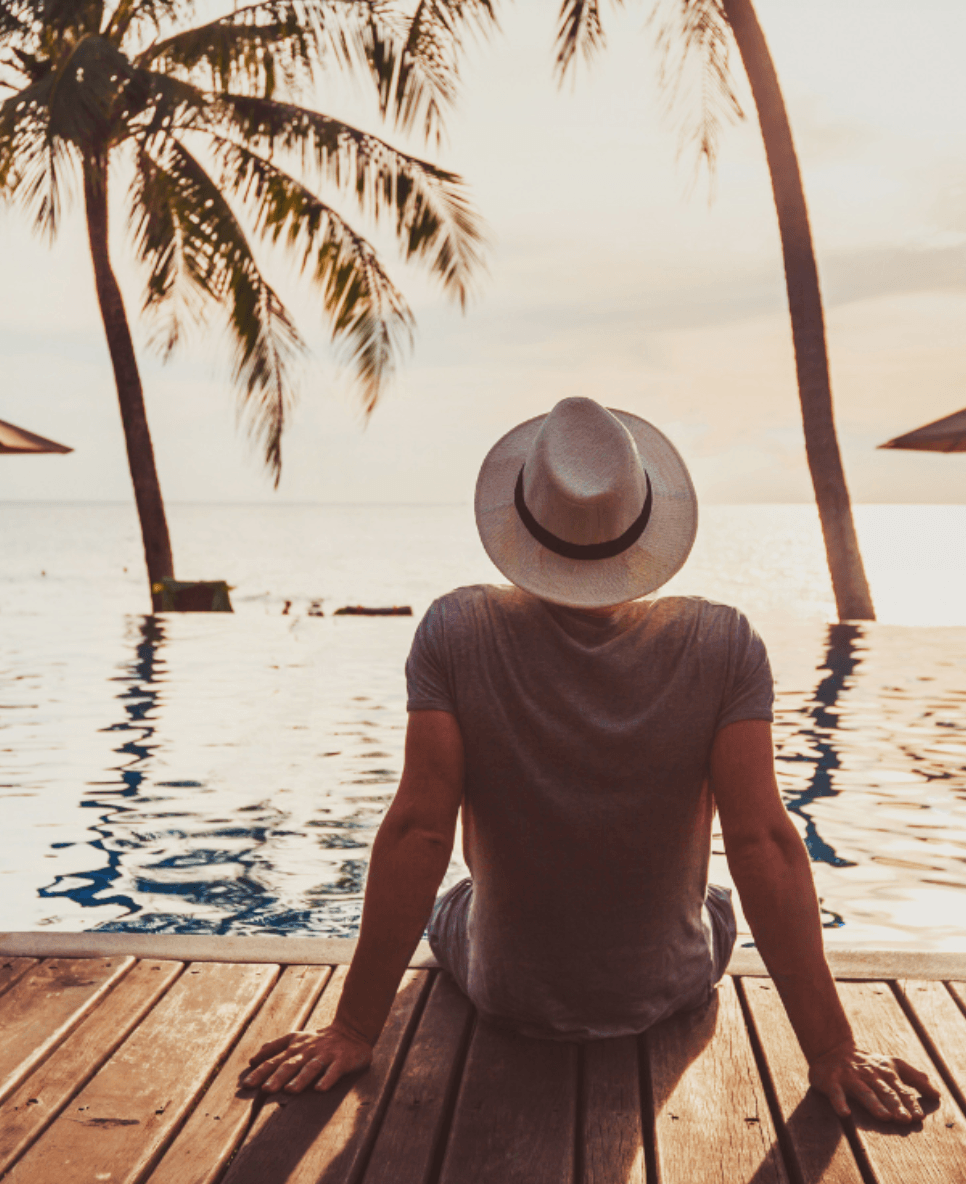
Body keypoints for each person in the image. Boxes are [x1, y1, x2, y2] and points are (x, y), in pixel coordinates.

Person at [244, 397, 937, 1123]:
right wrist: (831, 1049)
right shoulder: (724, 643)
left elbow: (419, 831)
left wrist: (353, 1028)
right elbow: (763, 842)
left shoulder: (457, 629)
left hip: (505, 989)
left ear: (520, 519)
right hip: (666, 987)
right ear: (644, 526)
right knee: (718, 902)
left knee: (459, 897)